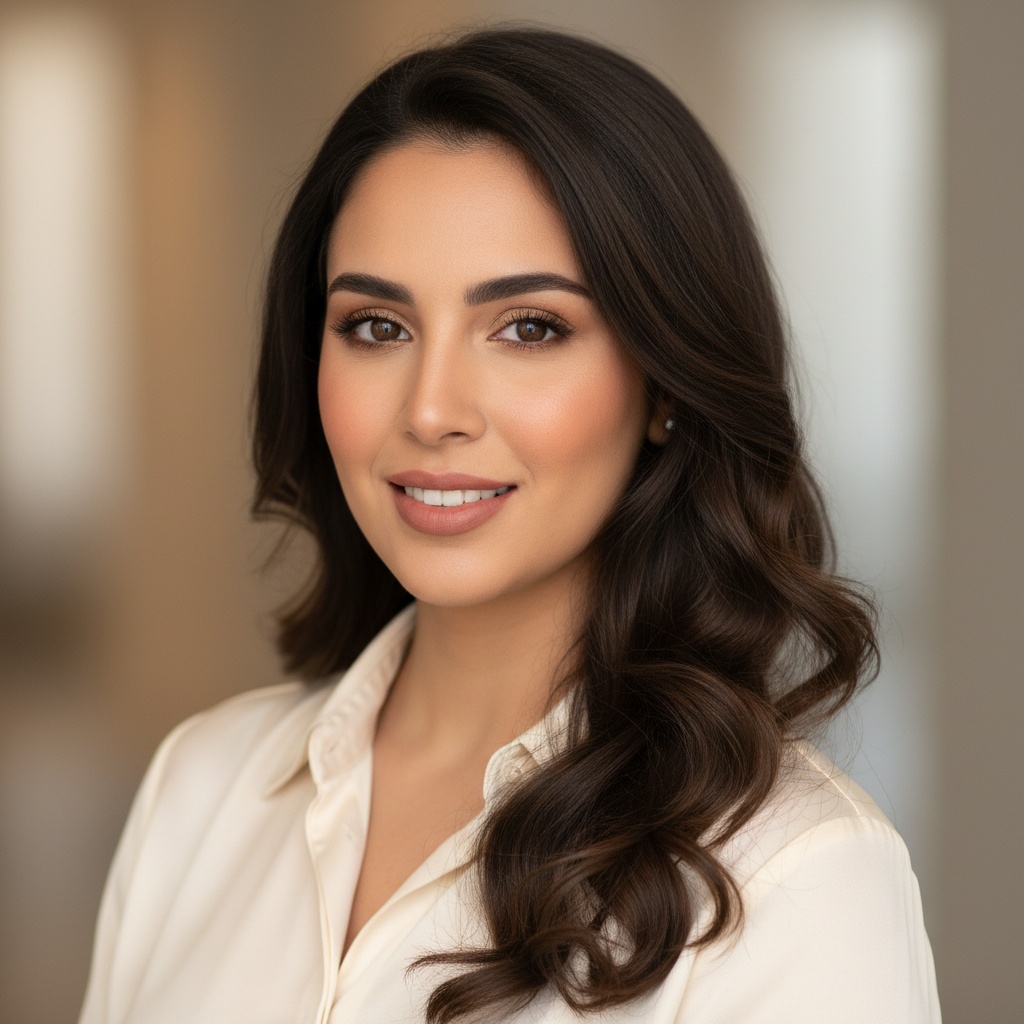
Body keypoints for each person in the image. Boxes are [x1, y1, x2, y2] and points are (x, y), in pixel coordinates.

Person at [78, 26, 940, 1024]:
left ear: (664, 382)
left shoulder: (797, 877)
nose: (432, 408)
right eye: (376, 326)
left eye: (529, 328)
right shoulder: (203, 786)